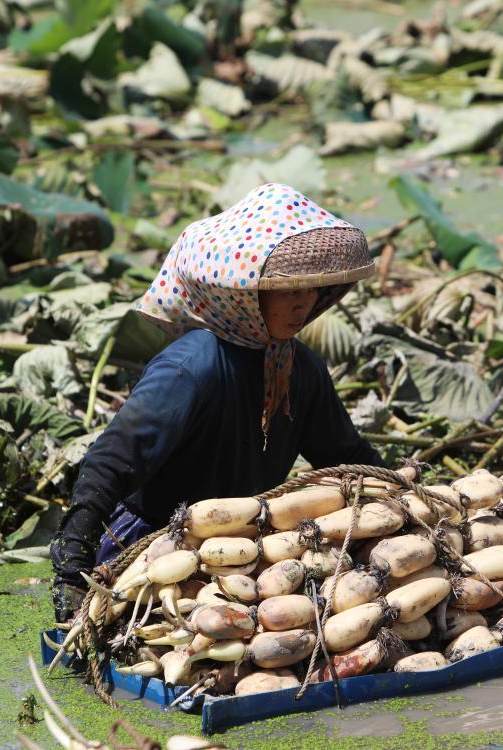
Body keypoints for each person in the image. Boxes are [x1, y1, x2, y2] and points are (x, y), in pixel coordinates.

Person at [49, 183, 386, 622]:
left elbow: (346, 456)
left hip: (248, 552)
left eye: (312, 289)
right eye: (287, 290)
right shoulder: (193, 367)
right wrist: (73, 563)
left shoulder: (300, 367)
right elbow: (111, 461)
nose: (302, 303)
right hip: (158, 547)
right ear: (247, 293)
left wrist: (403, 491)